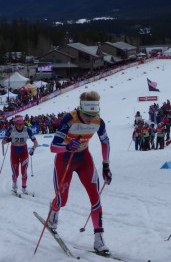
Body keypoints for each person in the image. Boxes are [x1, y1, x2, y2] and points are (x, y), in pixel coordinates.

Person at [48, 91, 112, 253]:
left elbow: (105, 142)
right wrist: (67, 147)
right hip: (65, 161)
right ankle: (54, 210)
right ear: (80, 110)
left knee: (95, 198)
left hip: (84, 160)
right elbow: (53, 147)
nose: (90, 118)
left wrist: (106, 166)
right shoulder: (69, 119)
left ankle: (99, 239)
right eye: (87, 115)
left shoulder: (98, 121)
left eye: (94, 114)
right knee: (62, 200)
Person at [1, 114, 38, 195]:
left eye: (22, 124)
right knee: (15, 172)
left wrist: (32, 149)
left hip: (24, 153)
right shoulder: (11, 129)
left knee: (24, 171)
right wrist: (6, 140)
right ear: (15, 124)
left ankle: (24, 188)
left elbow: (35, 142)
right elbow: (3, 142)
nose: (20, 126)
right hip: (14, 153)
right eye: (18, 124)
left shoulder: (27, 129)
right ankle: (14, 187)